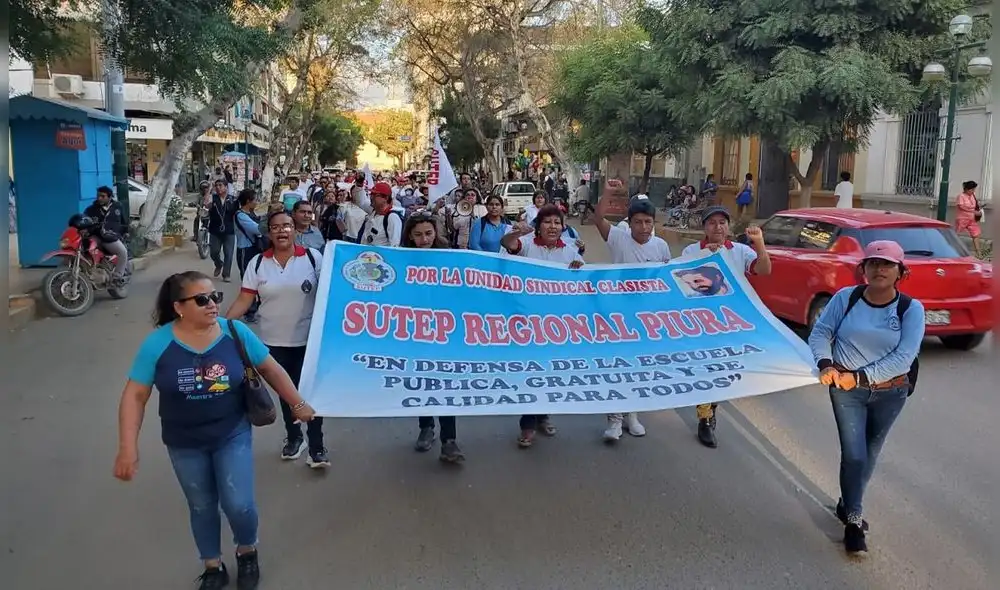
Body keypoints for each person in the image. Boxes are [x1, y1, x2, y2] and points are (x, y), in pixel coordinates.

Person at [114, 271, 316, 589]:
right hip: (183, 441)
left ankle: (246, 551)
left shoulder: (234, 332)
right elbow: (135, 395)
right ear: (179, 307)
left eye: (215, 297)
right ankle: (212, 565)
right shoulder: (158, 344)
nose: (212, 305)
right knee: (201, 504)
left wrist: (297, 403)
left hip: (231, 433)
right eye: (202, 299)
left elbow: (270, 368)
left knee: (239, 503)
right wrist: (128, 447)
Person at [807, 240, 924, 555]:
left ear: (901, 271)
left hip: (891, 392)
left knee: (870, 453)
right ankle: (854, 522)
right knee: (854, 454)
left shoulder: (911, 309)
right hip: (847, 391)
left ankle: (848, 501)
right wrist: (825, 363)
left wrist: (859, 376)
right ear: (864, 269)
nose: (879, 269)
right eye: (873, 263)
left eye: (887, 265)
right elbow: (821, 332)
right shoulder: (847, 298)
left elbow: (904, 357)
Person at [225, 211, 329, 468]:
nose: (282, 231)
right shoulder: (258, 264)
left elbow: (332, 292)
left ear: (295, 229)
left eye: (287, 226)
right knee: (286, 393)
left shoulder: (314, 258)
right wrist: (221, 326)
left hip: (309, 341)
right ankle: (294, 438)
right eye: (275, 227)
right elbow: (244, 299)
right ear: (269, 233)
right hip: (272, 341)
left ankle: (317, 446)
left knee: (309, 394)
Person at [680, 206, 772, 448]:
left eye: (722, 222)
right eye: (712, 223)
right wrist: (706, 258)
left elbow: (764, 270)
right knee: (705, 367)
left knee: (721, 369)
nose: (718, 227)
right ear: (704, 228)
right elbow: (679, 278)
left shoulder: (740, 251)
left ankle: (710, 411)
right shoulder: (692, 250)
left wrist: (759, 244)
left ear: (728, 227)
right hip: (700, 321)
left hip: (731, 321)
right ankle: (705, 419)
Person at [501, 205, 585, 448]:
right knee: (530, 371)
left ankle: (544, 415)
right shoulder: (526, 244)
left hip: (555, 324)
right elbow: (508, 243)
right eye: (547, 222)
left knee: (548, 372)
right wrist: (517, 233)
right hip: (525, 321)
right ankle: (527, 424)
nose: (552, 226)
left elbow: (581, 282)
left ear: (563, 227)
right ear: (538, 226)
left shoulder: (569, 251)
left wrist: (577, 271)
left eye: (557, 223)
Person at [592, 191, 672, 441]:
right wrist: (607, 193)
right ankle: (614, 421)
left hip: (646, 319)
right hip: (617, 316)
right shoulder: (618, 238)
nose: (643, 226)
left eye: (648, 222)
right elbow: (597, 218)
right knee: (617, 366)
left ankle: (633, 416)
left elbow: (667, 279)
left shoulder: (661, 246)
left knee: (639, 368)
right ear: (630, 223)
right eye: (638, 221)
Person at [400, 211, 466, 463]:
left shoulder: (449, 259)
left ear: (436, 233)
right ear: (410, 237)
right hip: (415, 333)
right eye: (418, 235)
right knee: (422, 383)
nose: (424, 239)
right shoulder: (400, 260)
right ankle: (426, 427)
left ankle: (449, 440)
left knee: (445, 385)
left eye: (428, 233)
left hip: (445, 333)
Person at [82, 185, 130, 283]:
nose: (99, 198)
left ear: (110, 197)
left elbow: (124, 221)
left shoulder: (118, 206)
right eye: (98, 196)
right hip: (96, 236)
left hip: (110, 238)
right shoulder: (91, 209)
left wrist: (126, 232)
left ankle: (117, 277)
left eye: (103, 196)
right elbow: (84, 220)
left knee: (123, 252)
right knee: (82, 249)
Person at [234, 189, 264, 323]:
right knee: (248, 280)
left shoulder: (250, 213)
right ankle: (249, 311)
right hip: (245, 251)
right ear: (248, 201)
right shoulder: (240, 215)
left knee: (258, 278)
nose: (257, 202)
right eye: (255, 200)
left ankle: (255, 307)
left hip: (254, 249)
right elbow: (257, 229)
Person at [207, 179, 239, 282]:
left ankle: (226, 274)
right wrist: (209, 190)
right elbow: (206, 204)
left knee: (228, 253)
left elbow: (238, 214)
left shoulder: (233, 200)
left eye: (220, 185)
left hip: (229, 231)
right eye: (216, 185)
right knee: (213, 252)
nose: (218, 187)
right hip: (215, 230)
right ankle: (218, 264)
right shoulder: (213, 198)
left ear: (226, 187)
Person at [358, 182, 403, 246]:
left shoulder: (392, 218)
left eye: (376, 195)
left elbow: (395, 246)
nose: (371, 197)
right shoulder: (373, 212)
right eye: (371, 194)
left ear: (386, 198)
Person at [955, 180, 983, 258]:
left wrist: (978, 210)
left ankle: (978, 252)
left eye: (974, 189)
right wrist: (973, 211)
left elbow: (975, 205)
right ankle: (952, 249)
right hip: (962, 218)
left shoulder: (973, 195)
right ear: (967, 189)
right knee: (956, 234)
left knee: (976, 234)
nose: (973, 191)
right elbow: (961, 206)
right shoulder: (961, 196)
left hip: (972, 218)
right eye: (972, 189)